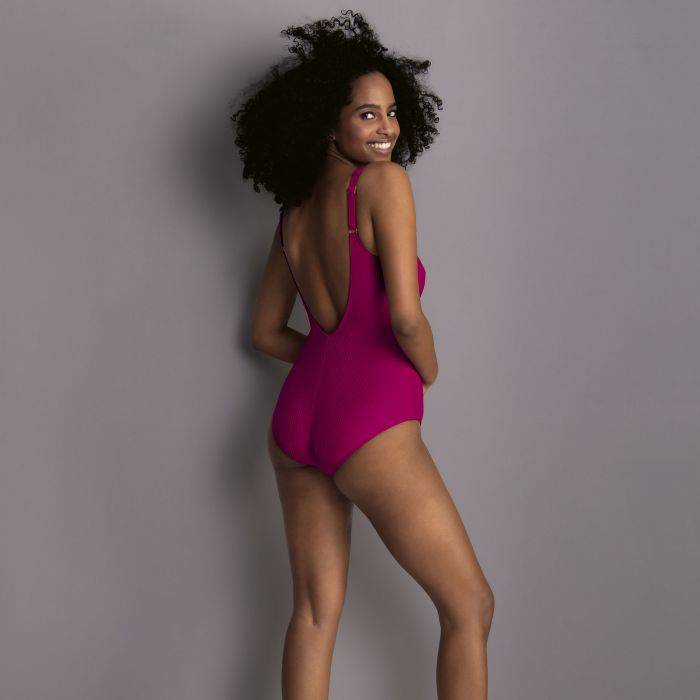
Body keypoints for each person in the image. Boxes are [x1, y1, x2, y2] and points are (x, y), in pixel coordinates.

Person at [231, 11, 494, 699]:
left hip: (297, 425)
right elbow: (404, 316)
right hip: (368, 424)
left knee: (314, 616)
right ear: (328, 124)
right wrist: (425, 367)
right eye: (367, 114)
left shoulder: (291, 213)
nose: (388, 129)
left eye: (393, 112)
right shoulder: (383, 184)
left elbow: (266, 332)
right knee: (469, 607)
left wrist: (331, 362)